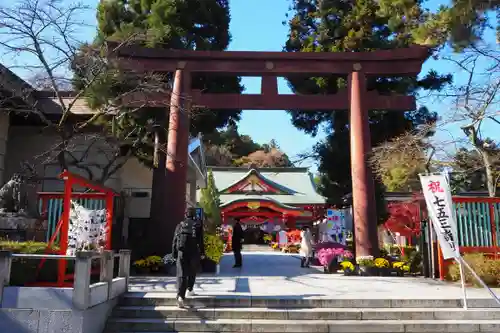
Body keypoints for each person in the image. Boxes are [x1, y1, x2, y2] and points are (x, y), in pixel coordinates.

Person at [172, 207, 205, 308]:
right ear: (194, 215)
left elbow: (174, 240)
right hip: (194, 251)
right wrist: (202, 252)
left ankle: (180, 296)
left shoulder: (180, 225)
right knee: (192, 270)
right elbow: (201, 240)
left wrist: (174, 254)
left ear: (185, 214)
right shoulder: (197, 225)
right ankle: (190, 289)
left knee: (181, 273)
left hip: (182, 252)